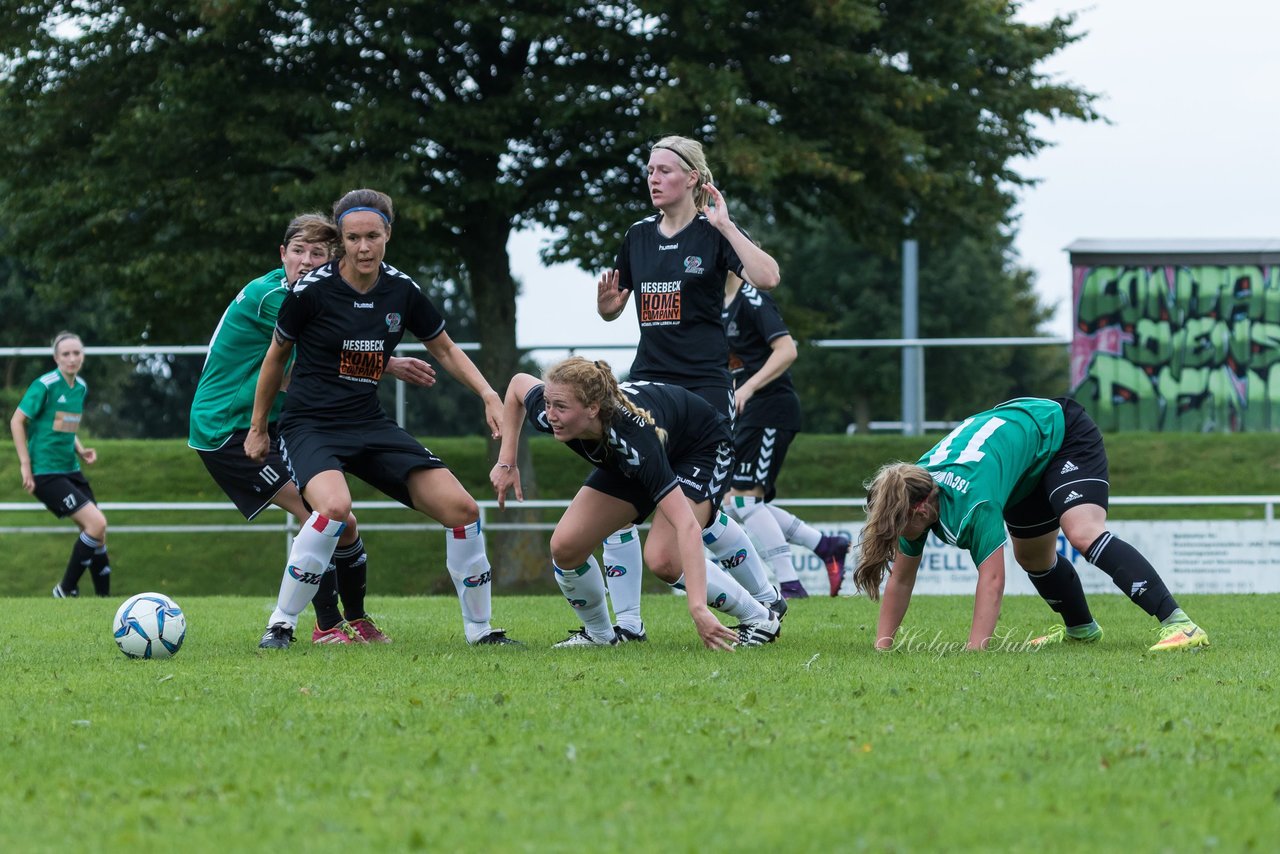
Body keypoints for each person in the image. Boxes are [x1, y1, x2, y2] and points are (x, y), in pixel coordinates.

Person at [245, 188, 521, 648]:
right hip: (310, 424)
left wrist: (489, 394)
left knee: (464, 510)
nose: (364, 247)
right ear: (342, 241)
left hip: (369, 424)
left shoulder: (402, 290)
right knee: (334, 509)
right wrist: (258, 428)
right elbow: (275, 359)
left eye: (373, 236)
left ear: (388, 234)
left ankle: (481, 632)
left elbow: (446, 349)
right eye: (353, 238)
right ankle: (281, 625)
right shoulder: (312, 292)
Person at [189, 212, 436, 644]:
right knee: (320, 518)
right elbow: (320, 355)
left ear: (331, 258)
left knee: (344, 522)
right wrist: (390, 363)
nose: (306, 260)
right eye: (298, 251)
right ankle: (324, 625)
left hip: (274, 421)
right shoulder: (273, 297)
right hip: (227, 429)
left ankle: (354, 619)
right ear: (282, 254)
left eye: (317, 253)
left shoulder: (306, 292)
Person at [594, 134, 784, 638]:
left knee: (689, 517)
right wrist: (609, 306)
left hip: (702, 392)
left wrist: (725, 224)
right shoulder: (637, 236)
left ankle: (763, 605)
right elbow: (615, 307)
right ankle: (628, 626)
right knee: (638, 502)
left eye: (665, 170)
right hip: (647, 391)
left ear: (694, 180)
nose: (653, 178)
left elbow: (768, 276)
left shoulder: (713, 232)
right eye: (650, 169)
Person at [855, 396, 1210, 652]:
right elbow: (901, 578)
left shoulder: (974, 502)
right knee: (1034, 558)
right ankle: (1082, 631)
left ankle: (1180, 623)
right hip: (1022, 465)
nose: (900, 538)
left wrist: (974, 652)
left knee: (1082, 532)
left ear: (920, 510)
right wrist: (882, 646)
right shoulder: (909, 489)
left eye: (900, 529)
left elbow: (992, 579)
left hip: (1061, 434)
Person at [491, 357, 780, 649]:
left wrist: (697, 609)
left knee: (664, 558)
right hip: (629, 456)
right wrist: (506, 462)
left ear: (593, 408)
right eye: (548, 403)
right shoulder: (552, 411)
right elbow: (517, 385)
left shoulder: (634, 440)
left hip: (699, 448)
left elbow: (687, 527)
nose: (550, 414)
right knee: (565, 548)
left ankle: (759, 617)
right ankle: (601, 636)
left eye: (560, 407)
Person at [720, 271, 850, 598]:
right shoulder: (715, 306)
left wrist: (748, 386)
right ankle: (825, 546)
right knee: (735, 503)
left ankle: (790, 585)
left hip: (771, 408)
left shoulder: (752, 299)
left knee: (744, 499)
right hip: (748, 412)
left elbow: (787, 350)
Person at [10, 332, 113, 597]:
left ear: (83, 356)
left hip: (71, 469)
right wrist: (25, 464)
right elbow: (16, 421)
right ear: (56, 358)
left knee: (99, 533)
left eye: (76, 353)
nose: (72, 358)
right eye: (65, 354)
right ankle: (65, 590)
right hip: (45, 473)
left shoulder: (80, 386)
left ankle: (104, 601)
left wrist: (80, 449)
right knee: (96, 524)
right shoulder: (45, 385)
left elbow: (65, 423)